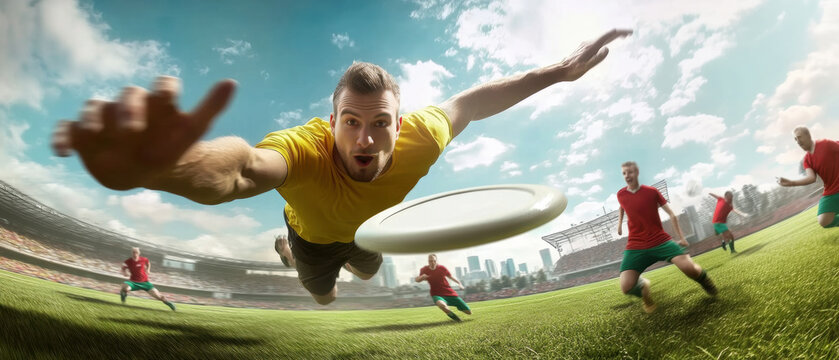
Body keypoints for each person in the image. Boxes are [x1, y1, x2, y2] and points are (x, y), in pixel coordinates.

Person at [51, 29, 632, 305]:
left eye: (380, 122)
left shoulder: (422, 136)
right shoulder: (303, 148)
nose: (365, 136)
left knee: (368, 268)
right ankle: (287, 250)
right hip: (311, 239)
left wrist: (557, 71)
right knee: (324, 291)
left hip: (369, 230)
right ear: (330, 122)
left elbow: (475, 102)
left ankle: (342, 255)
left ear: (398, 125)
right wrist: (167, 168)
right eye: (350, 120)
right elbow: (242, 170)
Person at [616, 162, 717, 313]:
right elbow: (622, 207)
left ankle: (704, 279)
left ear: (637, 172)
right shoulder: (620, 194)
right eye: (624, 173)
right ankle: (644, 287)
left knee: (689, 269)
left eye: (629, 172)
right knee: (626, 287)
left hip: (659, 240)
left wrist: (681, 238)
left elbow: (671, 214)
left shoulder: (652, 192)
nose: (627, 176)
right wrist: (619, 224)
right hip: (636, 244)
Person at [777, 126, 839, 228]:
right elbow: (811, 178)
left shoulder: (826, 144)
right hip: (831, 191)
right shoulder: (807, 160)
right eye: (795, 139)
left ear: (808, 135)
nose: (797, 141)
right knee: (824, 221)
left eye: (799, 137)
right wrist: (791, 183)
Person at [416, 254, 470, 322]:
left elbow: (451, 277)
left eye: (434, 261)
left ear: (436, 261)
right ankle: (457, 319)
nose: (432, 262)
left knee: (468, 312)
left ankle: (458, 306)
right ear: (428, 261)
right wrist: (421, 277)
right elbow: (417, 280)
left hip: (449, 292)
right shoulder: (424, 270)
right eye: (430, 261)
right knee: (442, 305)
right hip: (436, 293)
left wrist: (459, 284)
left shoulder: (442, 268)